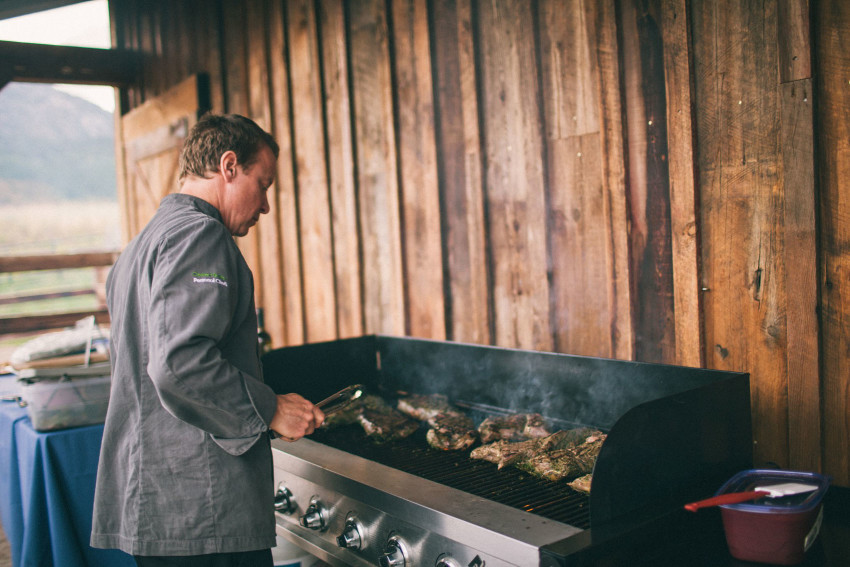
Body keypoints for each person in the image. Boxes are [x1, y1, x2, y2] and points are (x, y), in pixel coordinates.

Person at [90, 113, 324, 567]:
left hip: (159, 507)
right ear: (229, 166)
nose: (265, 206)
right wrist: (270, 407)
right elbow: (179, 361)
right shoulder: (201, 235)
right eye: (264, 184)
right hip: (203, 513)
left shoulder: (140, 246)